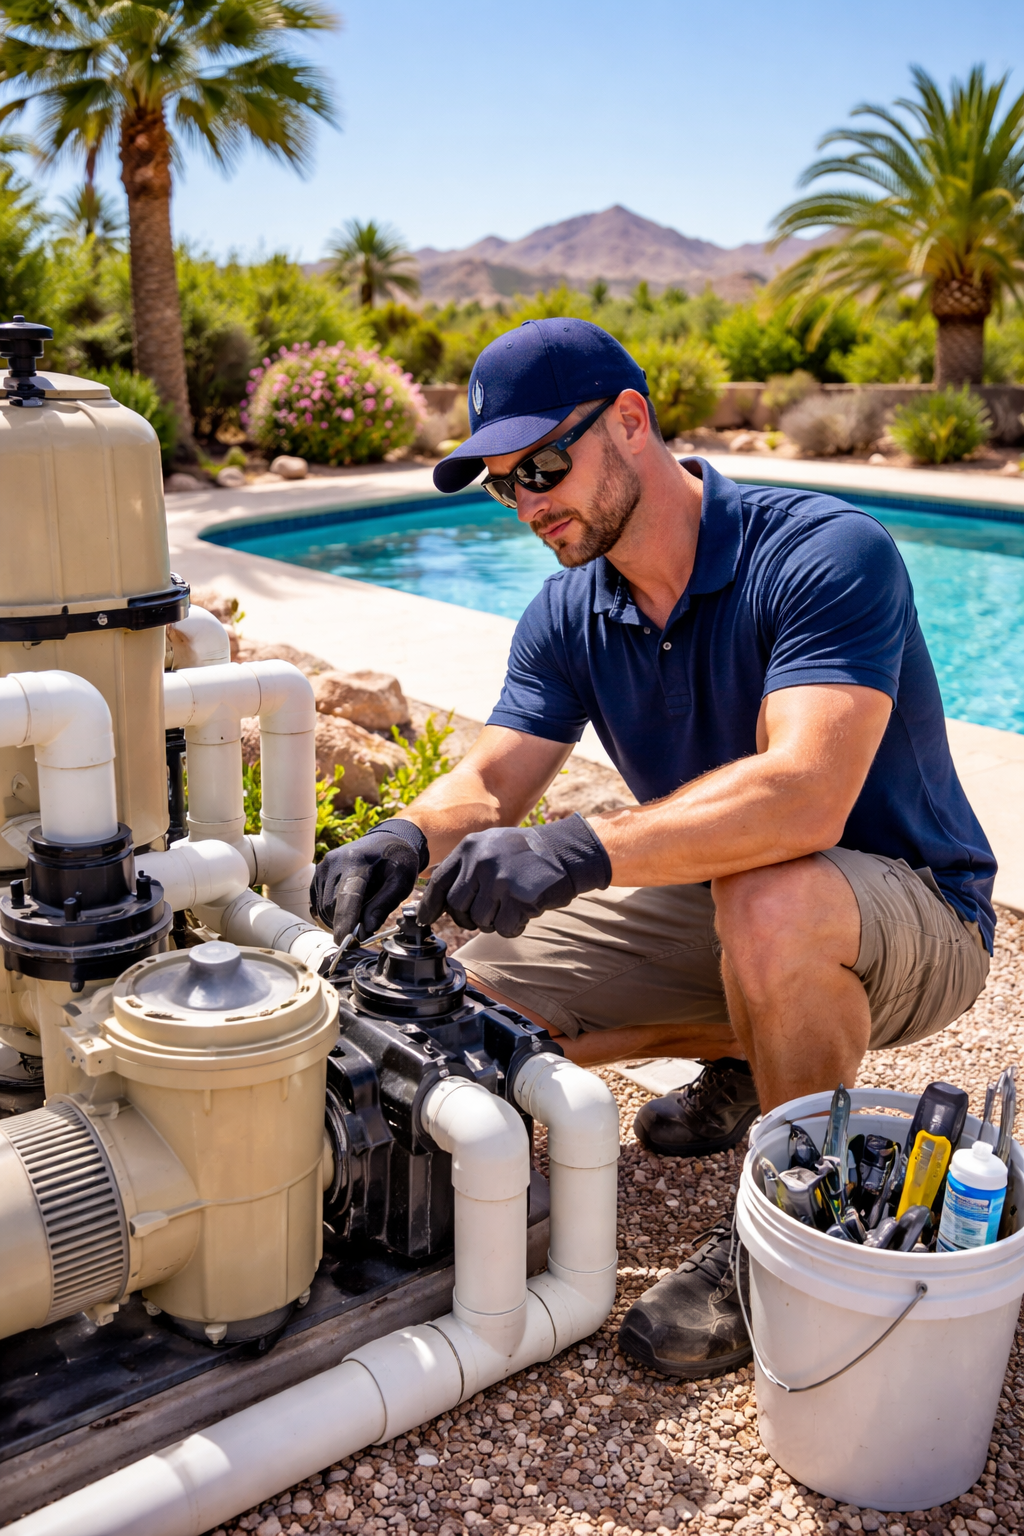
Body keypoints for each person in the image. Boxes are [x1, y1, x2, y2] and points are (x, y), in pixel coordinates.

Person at [311, 318, 995, 1380]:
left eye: (542, 465)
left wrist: (582, 848)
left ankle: (790, 1225)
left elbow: (804, 796)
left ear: (630, 421)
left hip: (916, 911)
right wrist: (403, 833)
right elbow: (493, 779)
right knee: (477, 986)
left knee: (771, 896)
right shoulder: (567, 610)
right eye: (504, 484)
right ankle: (750, 1058)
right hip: (737, 901)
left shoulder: (820, 552)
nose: (530, 502)